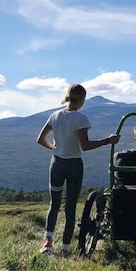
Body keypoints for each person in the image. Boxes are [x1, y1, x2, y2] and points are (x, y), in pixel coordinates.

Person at [36, 84, 119, 256]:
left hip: (57, 164)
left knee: (54, 204)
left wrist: (56, 149)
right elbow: (86, 146)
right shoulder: (81, 119)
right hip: (74, 165)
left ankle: (48, 242)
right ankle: (65, 250)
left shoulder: (55, 115)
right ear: (81, 100)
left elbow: (41, 139)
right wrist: (107, 141)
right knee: (70, 208)